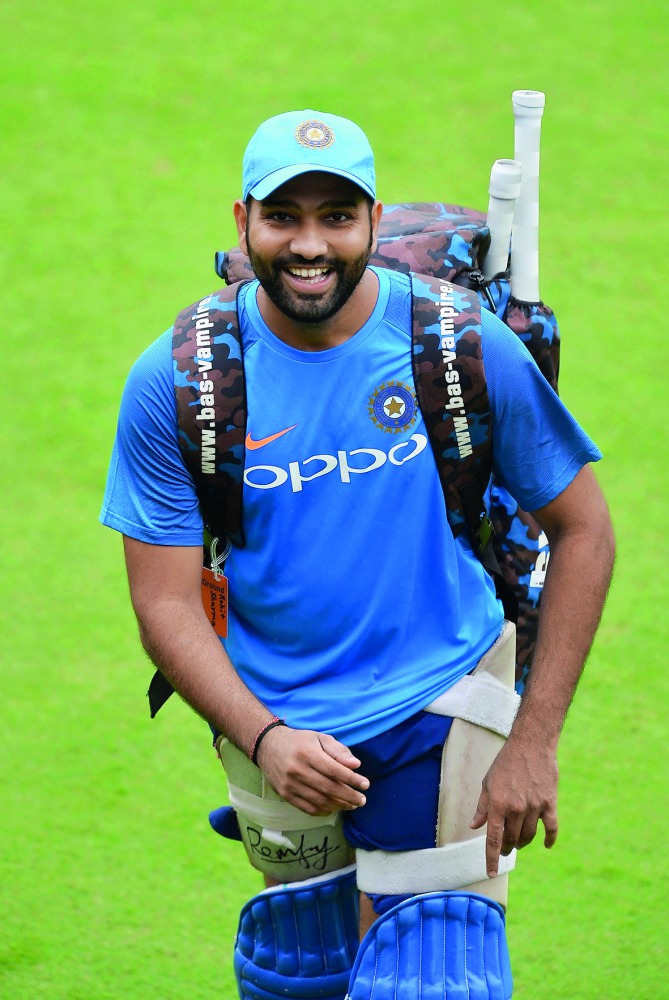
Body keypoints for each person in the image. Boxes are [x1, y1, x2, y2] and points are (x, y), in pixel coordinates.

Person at [100, 109, 615, 999]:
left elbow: (585, 530)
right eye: (283, 217)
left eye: (336, 217)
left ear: (373, 222)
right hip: (275, 722)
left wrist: (534, 739)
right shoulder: (180, 379)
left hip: (440, 703)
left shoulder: (458, 344)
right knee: (300, 970)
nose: (310, 244)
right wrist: (265, 739)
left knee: (433, 977)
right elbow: (165, 602)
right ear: (242, 222)